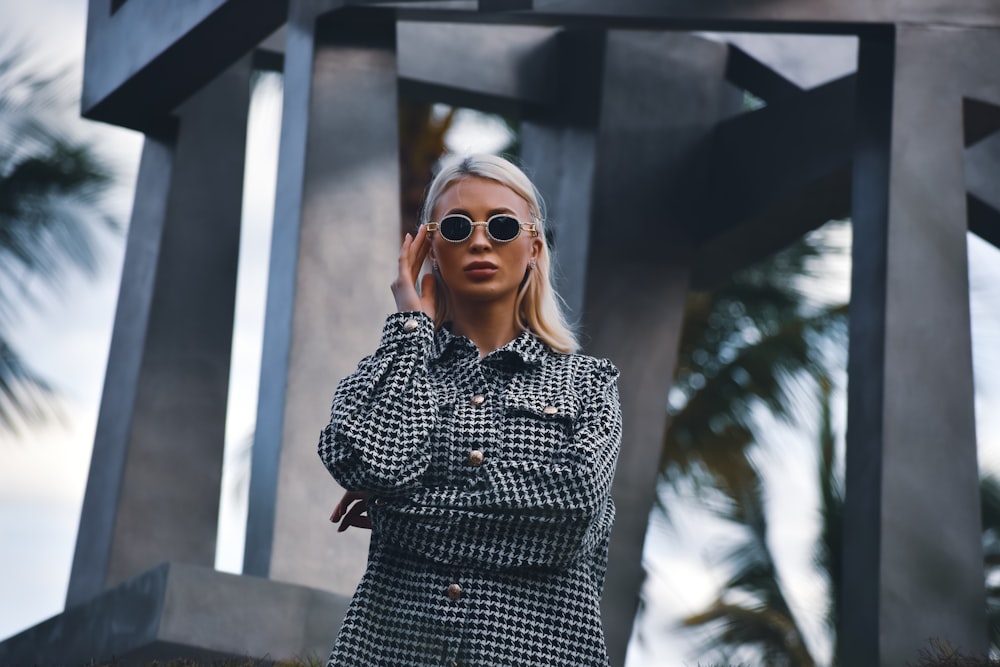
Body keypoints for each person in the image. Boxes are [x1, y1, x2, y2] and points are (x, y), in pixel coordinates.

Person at [318, 153, 622, 667]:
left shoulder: (590, 384)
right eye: (457, 226)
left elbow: (570, 517)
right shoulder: (393, 370)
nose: (480, 240)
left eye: (502, 226)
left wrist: (395, 512)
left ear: (534, 246)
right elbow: (368, 463)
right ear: (429, 248)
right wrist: (410, 327)